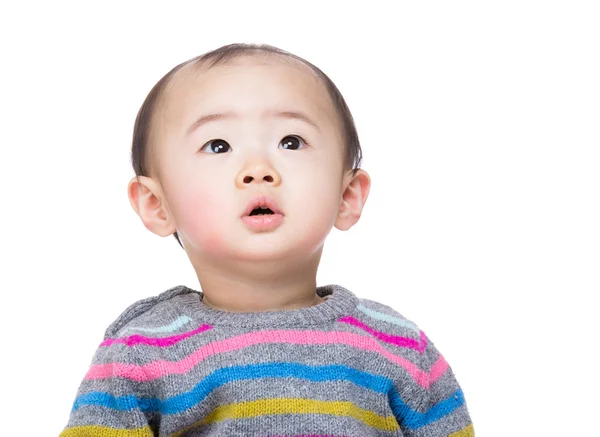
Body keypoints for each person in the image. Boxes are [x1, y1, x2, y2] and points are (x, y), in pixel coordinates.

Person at [59, 43, 474, 437]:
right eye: (217, 145)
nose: (258, 169)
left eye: (290, 141)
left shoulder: (397, 346)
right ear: (156, 204)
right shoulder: (141, 354)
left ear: (347, 197)